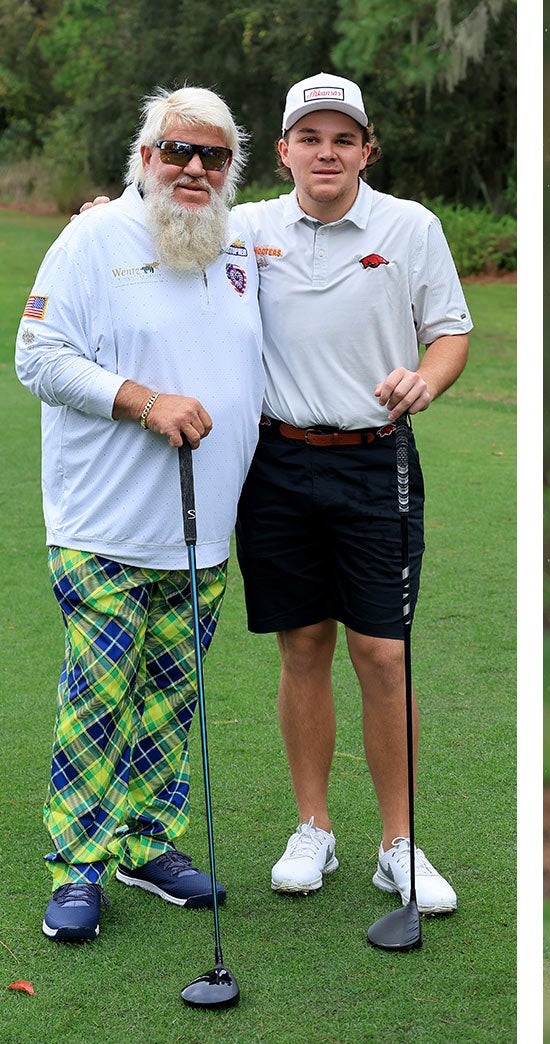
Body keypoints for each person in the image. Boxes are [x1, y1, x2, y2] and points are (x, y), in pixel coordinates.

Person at [18, 86, 264, 941]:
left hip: (202, 537)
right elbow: (37, 355)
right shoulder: (92, 237)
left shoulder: (239, 245)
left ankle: (147, 842)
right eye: (177, 151)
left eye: (214, 156)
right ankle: (77, 868)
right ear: (144, 156)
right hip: (102, 529)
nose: (194, 169)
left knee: (171, 699)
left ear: (232, 169)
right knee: (98, 700)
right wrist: (139, 398)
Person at [239, 73, 472, 915]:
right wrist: (97, 216)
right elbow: (157, 230)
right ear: (285, 152)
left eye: (343, 138)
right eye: (311, 137)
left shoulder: (411, 226)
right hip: (274, 461)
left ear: (367, 149)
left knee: (382, 652)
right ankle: (313, 827)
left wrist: (428, 380)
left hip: (378, 461)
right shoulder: (245, 229)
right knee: (302, 645)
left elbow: (448, 331)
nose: (326, 151)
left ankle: (397, 844)